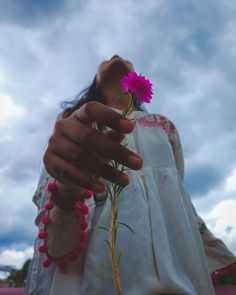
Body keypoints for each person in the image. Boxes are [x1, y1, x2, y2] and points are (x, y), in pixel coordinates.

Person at [26, 55, 236, 295]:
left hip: (176, 271)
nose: (116, 57)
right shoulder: (76, 120)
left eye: (125, 58)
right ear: (94, 82)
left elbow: (178, 196)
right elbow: (55, 188)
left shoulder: (164, 125)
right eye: (104, 60)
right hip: (90, 273)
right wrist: (66, 191)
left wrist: (220, 253)